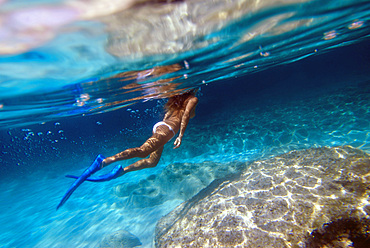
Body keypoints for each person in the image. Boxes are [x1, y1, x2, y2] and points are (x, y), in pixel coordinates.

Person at [102, 89, 198, 177]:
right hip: (168, 129)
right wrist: (180, 136)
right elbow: (186, 115)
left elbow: (167, 115)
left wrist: (163, 128)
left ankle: (123, 171)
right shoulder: (193, 99)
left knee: (152, 162)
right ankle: (107, 160)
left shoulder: (178, 99)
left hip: (164, 127)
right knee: (143, 151)